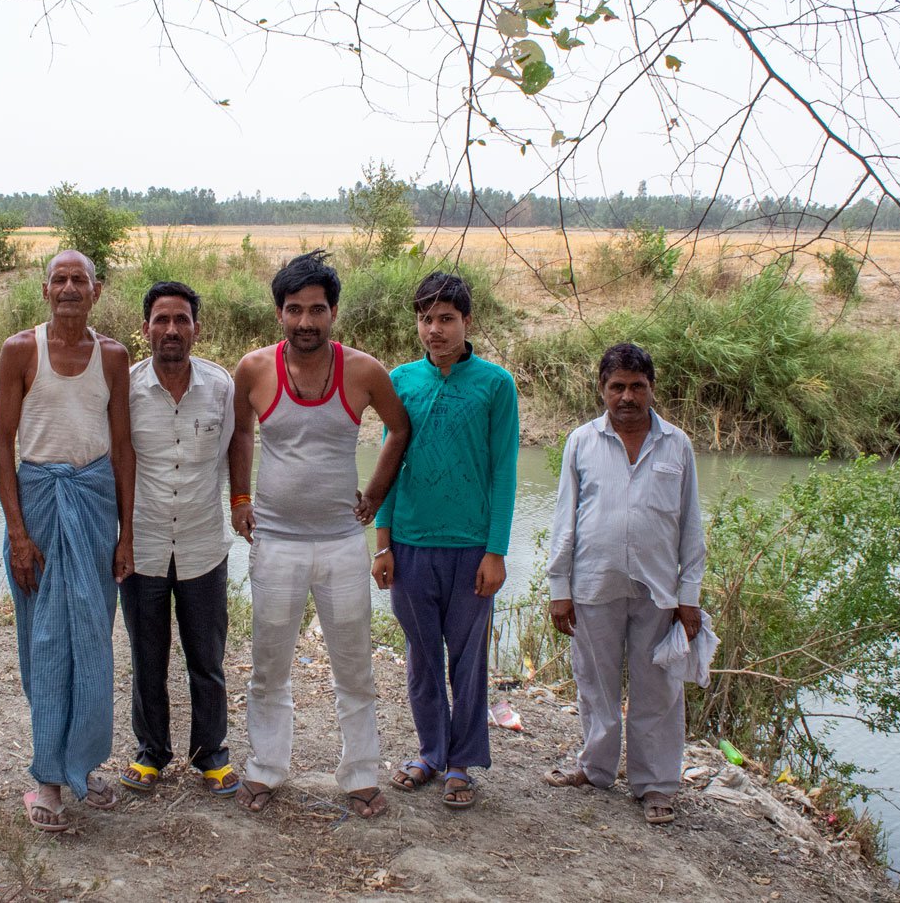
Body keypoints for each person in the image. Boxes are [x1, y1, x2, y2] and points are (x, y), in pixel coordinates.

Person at [229, 249, 411, 819]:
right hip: (276, 540)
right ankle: (266, 769)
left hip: (339, 541)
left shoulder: (363, 370)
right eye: (294, 310)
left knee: (354, 664)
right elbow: (240, 435)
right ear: (279, 313)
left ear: (333, 312)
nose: (305, 321)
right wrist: (239, 498)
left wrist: (375, 496)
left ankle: (359, 776)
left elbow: (399, 430)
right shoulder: (255, 368)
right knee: (269, 665)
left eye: (317, 310)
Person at [0, 249, 135, 833]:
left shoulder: (113, 356)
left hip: (96, 505)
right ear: (45, 289)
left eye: (80, 279)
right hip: (40, 506)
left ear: (96, 291)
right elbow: (2, 444)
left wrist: (126, 533)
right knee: (46, 642)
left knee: (93, 641)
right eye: (60, 279)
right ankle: (48, 780)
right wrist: (18, 534)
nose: (70, 288)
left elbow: (123, 448)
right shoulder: (20, 350)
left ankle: (83, 764)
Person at [371, 272, 519, 811]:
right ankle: (431, 752)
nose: (435, 330)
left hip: (471, 550)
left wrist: (496, 551)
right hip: (410, 545)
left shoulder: (495, 385)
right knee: (422, 656)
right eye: (426, 319)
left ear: (467, 322)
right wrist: (383, 542)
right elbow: (389, 462)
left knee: (468, 658)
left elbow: (504, 472)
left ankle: (463, 762)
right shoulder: (401, 381)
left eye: (446, 319)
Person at [543, 342, 706, 825]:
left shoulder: (677, 445)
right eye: (618, 387)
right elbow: (565, 518)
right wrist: (559, 588)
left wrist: (688, 597)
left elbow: (690, 525)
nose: (628, 397)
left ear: (652, 389)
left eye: (637, 386)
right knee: (595, 683)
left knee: (659, 690)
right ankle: (594, 769)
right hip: (594, 583)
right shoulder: (582, 442)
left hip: (659, 591)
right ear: (602, 390)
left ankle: (655, 785)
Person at [118, 282, 239, 797]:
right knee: (148, 656)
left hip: (203, 543)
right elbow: (113, 463)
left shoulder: (220, 387)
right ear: (145, 328)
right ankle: (152, 752)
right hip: (141, 545)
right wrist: (117, 537)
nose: (171, 329)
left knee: (206, 658)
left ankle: (210, 754)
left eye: (181, 320)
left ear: (196, 328)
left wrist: (242, 503)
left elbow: (239, 447)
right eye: (161, 320)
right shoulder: (122, 389)